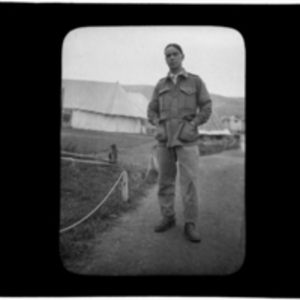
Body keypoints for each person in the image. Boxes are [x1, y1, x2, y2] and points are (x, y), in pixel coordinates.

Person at [147, 43, 212, 243]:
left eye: (175, 54)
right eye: (167, 55)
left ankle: (190, 223)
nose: (171, 58)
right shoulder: (160, 84)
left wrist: (193, 124)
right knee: (165, 180)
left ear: (182, 56)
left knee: (189, 183)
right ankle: (168, 217)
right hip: (164, 141)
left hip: (187, 140)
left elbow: (206, 107)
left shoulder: (195, 81)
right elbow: (152, 111)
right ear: (165, 59)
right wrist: (158, 125)